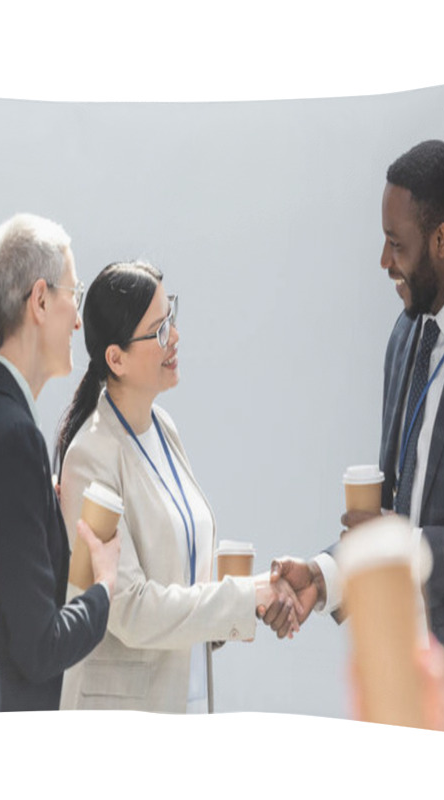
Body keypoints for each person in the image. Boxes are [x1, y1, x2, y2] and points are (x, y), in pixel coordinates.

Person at [268, 140, 444, 735]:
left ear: (443, 240)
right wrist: (321, 576)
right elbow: (392, 513)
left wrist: (406, 545)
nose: (384, 262)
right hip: (395, 673)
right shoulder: (405, 336)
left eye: (398, 245)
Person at [55, 261, 301, 713]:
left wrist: (250, 601)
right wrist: (248, 595)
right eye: (160, 328)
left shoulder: (163, 428)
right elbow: (128, 609)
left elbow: (182, 584)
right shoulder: (91, 457)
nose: (176, 337)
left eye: (173, 317)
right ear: (116, 359)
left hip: (188, 702)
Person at [0, 213, 120, 712]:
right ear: (40, 300)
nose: (79, 320)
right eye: (72, 297)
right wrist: (104, 587)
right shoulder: (16, 439)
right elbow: (38, 647)